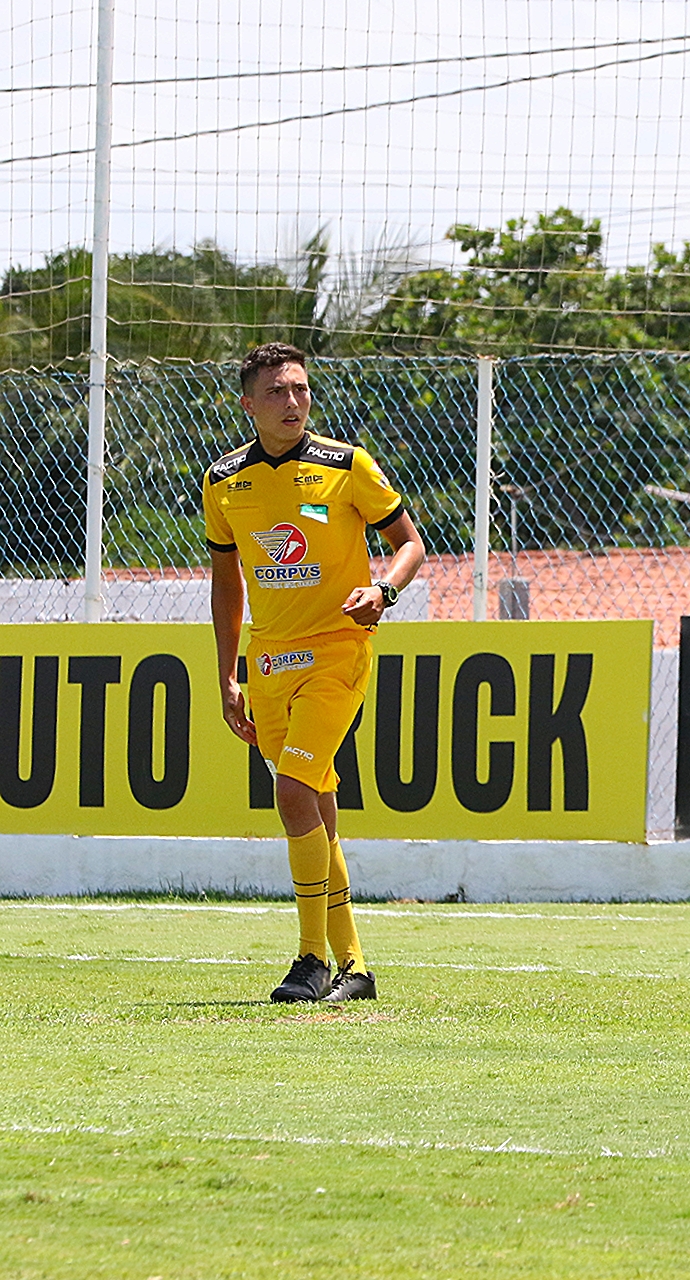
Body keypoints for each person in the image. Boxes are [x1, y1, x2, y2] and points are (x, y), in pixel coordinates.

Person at [203, 342, 425, 1004]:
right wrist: (227, 676)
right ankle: (354, 967)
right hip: (268, 663)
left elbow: (410, 543)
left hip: (337, 651)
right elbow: (225, 585)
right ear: (248, 404)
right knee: (317, 801)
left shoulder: (346, 465)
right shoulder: (224, 481)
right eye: (276, 392)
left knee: (294, 791)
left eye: (300, 389)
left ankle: (309, 961)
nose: (293, 401)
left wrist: (383, 592)